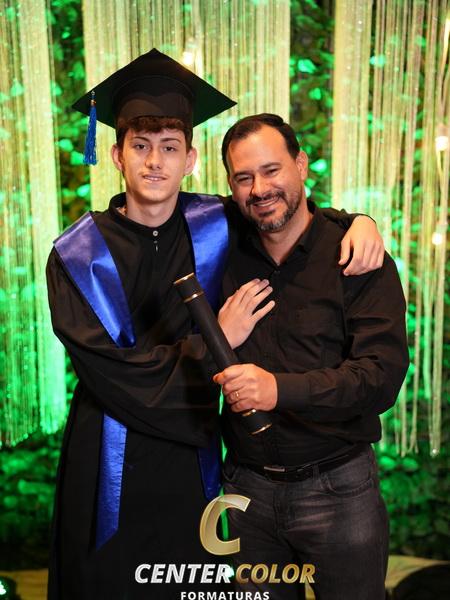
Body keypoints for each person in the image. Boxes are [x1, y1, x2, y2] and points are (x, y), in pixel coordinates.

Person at [47, 50, 384, 600]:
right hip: (110, 453)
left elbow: (283, 208)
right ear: (116, 155)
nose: (155, 162)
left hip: (193, 458)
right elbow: (115, 376)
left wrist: (359, 222)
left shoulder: (215, 221)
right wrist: (218, 340)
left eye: (169, 147)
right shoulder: (76, 255)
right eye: (140, 146)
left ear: (191, 159)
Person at [215, 113, 410, 600]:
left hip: (339, 490)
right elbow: (161, 209)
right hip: (245, 491)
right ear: (231, 187)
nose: (260, 189)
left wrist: (277, 390)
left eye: (272, 170)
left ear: (301, 165)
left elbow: (380, 379)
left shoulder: (356, 257)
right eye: (244, 177)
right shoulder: (221, 247)